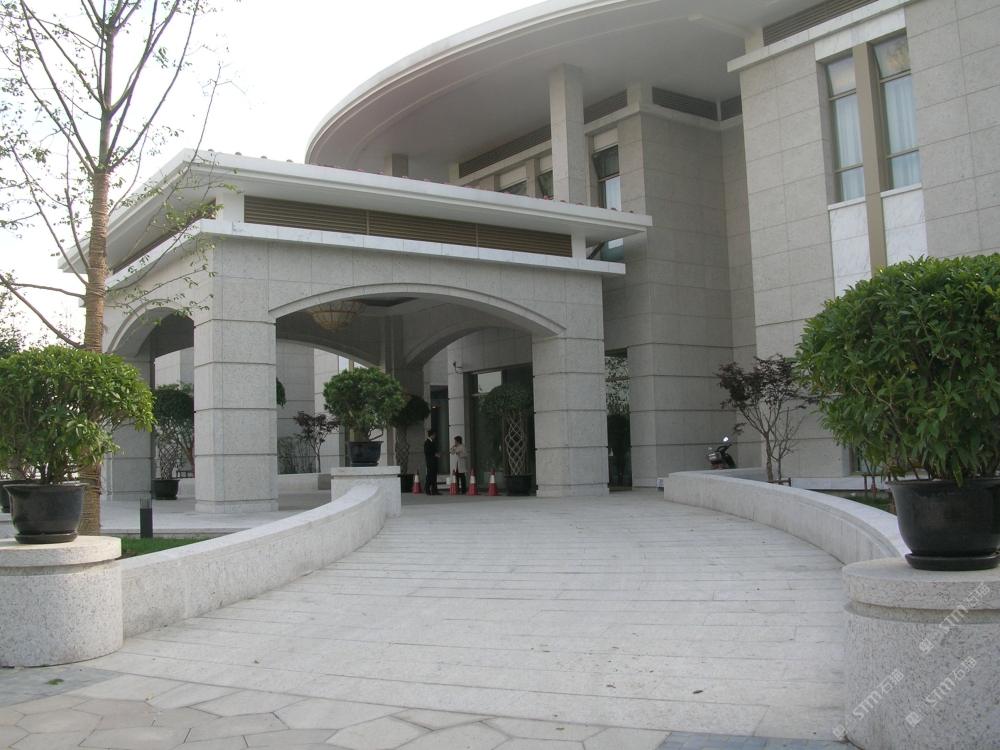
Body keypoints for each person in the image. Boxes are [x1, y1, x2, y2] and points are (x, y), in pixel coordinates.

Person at [423, 429, 441, 495]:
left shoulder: (432, 442)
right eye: (434, 435)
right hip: (430, 462)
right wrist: (434, 454)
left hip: (434, 461)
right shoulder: (427, 443)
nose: (435, 436)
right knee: (430, 476)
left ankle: (434, 490)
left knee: (434, 476)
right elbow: (427, 453)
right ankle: (427, 490)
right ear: (432, 435)